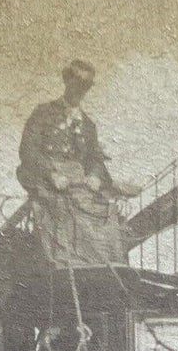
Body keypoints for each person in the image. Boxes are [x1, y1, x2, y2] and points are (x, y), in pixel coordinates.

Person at [17, 60, 130, 271]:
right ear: (67, 80)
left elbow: (95, 158)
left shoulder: (88, 125)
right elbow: (28, 151)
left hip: (79, 182)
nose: (81, 89)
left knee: (106, 208)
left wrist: (95, 175)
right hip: (48, 179)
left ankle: (107, 265)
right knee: (61, 206)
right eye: (77, 82)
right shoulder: (43, 113)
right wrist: (51, 174)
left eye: (86, 85)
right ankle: (66, 262)